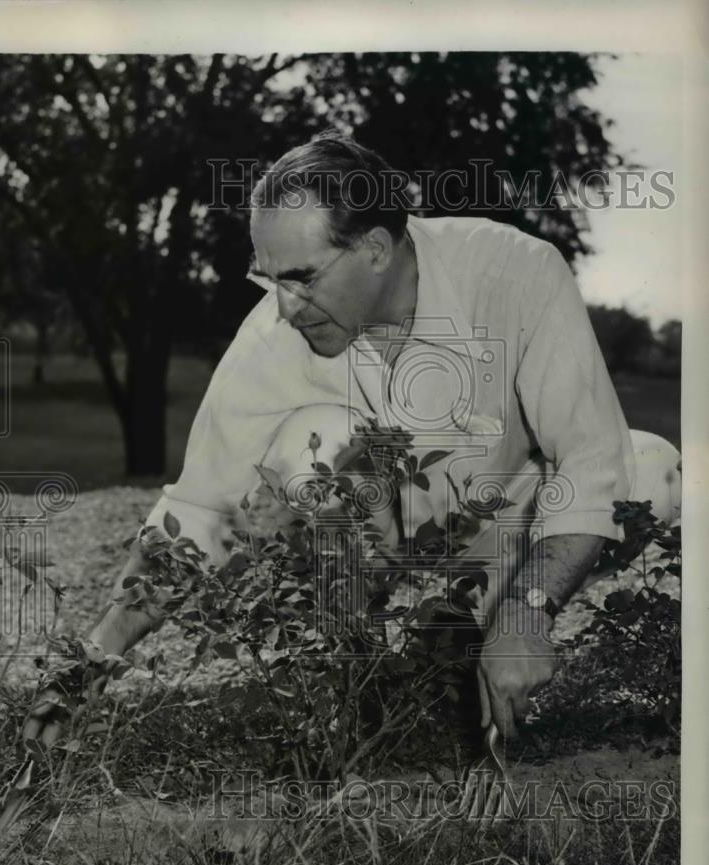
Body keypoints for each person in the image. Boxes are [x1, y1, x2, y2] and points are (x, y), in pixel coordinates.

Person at [34, 132, 682, 748]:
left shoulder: (519, 275)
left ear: (375, 247)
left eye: (303, 278)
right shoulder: (271, 338)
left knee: (651, 469)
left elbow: (589, 455)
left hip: (502, 521)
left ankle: (464, 627)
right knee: (319, 440)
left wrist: (528, 610)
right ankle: (352, 668)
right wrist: (85, 668)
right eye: (269, 278)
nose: (284, 305)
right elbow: (198, 510)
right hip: (371, 544)